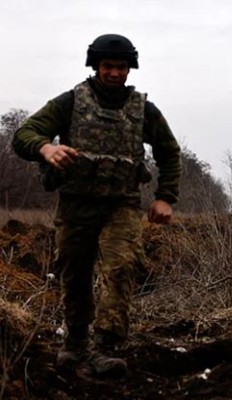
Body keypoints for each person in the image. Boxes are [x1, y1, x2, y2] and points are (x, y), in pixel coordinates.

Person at [12, 33, 182, 378]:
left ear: (129, 69)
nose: (115, 73)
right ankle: (76, 343)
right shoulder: (70, 103)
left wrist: (165, 197)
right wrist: (45, 148)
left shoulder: (143, 110)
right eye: (108, 66)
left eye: (121, 67)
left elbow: (169, 152)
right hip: (76, 206)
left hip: (122, 206)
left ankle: (106, 347)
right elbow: (24, 134)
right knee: (74, 274)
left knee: (120, 268)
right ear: (96, 66)